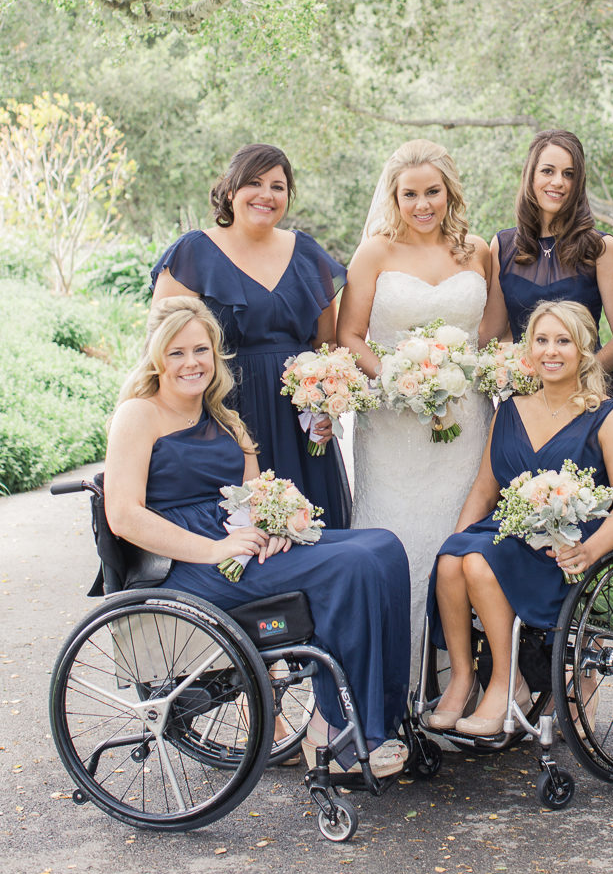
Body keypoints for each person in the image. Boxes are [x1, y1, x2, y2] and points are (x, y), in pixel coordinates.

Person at [103, 297, 411, 775]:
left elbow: (254, 497)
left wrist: (274, 526)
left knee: (383, 546)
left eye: (201, 350)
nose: (191, 363)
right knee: (351, 565)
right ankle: (334, 727)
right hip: (189, 563)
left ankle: (382, 720)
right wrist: (213, 548)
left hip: (240, 547)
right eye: (177, 352)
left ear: (215, 356)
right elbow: (123, 515)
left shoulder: (224, 419)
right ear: (157, 358)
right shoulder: (138, 415)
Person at [426, 301, 613, 736]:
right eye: (541, 340)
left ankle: (509, 685)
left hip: (563, 547)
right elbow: (486, 489)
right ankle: (465, 679)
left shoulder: (608, 416)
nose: (551, 351)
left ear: (584, 349)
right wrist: (458, 537)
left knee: (475, 561)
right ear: (528, 349)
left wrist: (590, 550)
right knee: (452, 559)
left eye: (563, 341)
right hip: (507, 533)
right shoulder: (510, 409)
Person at [336, 139, 493, 669]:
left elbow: (490, 339)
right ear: (393, 196)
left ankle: (457, 682)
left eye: (433, 192)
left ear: (450, 193)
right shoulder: (375, 251)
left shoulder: (477, 251)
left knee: (459, 542)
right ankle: (389, 691)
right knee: (395, 542)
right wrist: (402, 379)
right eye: (410, 194)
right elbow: (350, 335)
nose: (422, 204)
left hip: (466, 423)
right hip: (392, 427)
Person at [151, 143, 350, 529]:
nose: (266, 195)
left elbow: (327, 348)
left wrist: (326, 405)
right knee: (243, 533)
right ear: (230, 191)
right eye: (254, 183)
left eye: (278, 186)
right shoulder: (194, 251)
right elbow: (161, 345)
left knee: (310, 529)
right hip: (223, 413)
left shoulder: (307, 253)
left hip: (298, 422)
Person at [479, 130, 613, 401]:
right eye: (548, 171)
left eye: (569, 174)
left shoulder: (600, 247)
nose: (558, 182)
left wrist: (575, 381)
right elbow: (489, 336)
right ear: (531, 176)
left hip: (589, 395)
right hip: (525, 397)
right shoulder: (502, 246)